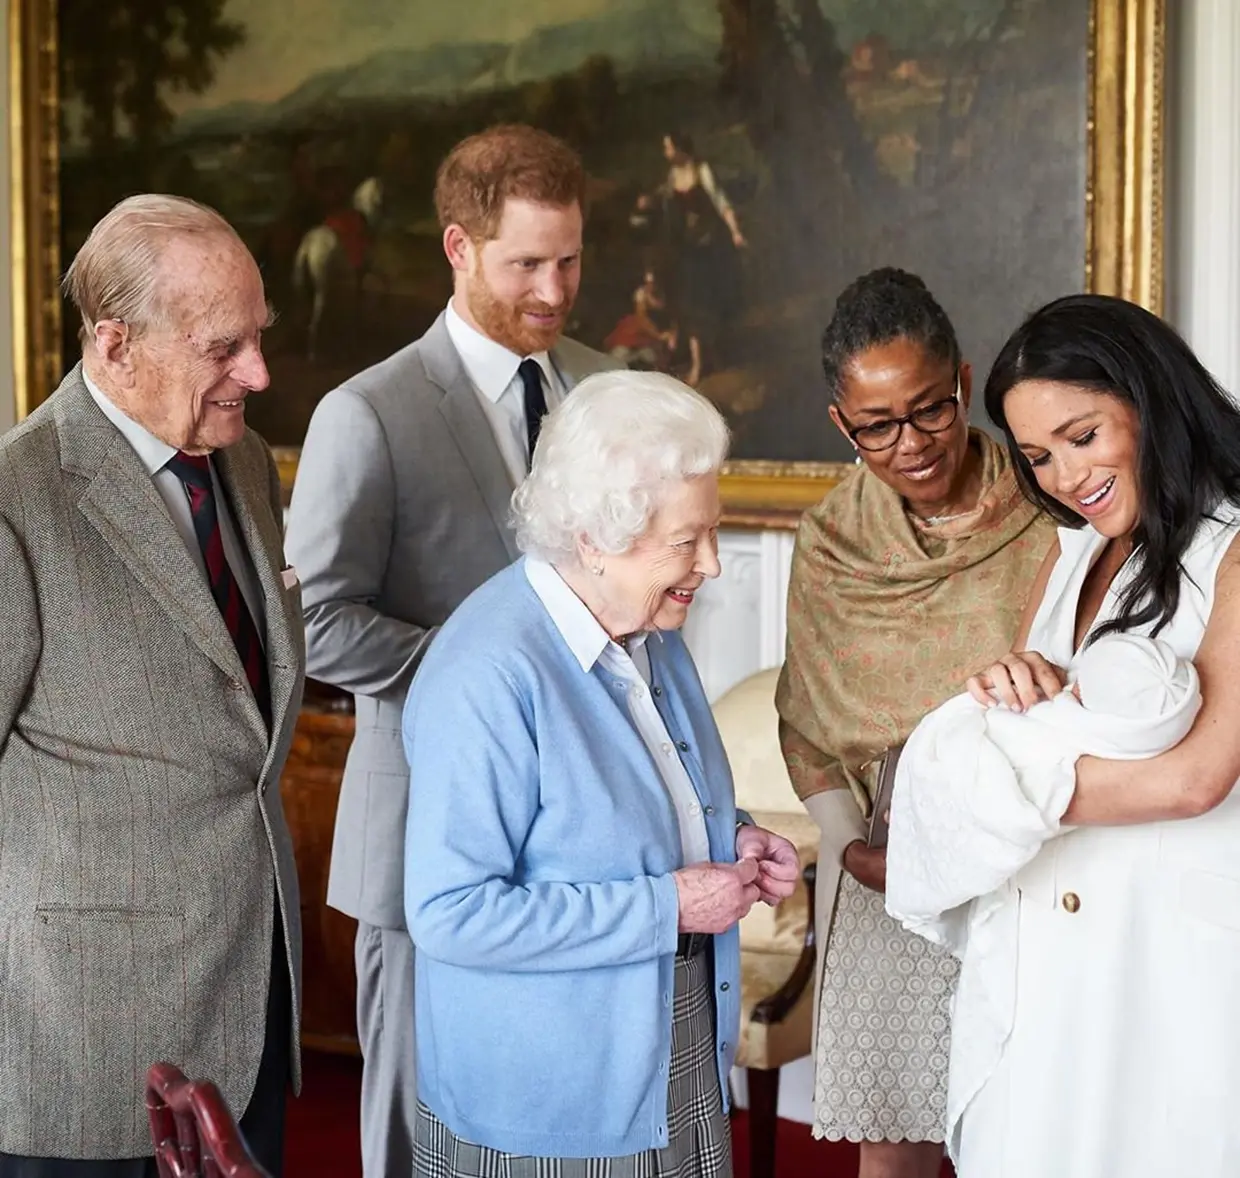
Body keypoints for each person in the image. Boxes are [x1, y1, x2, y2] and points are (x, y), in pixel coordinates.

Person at [283, 123, 619, 1178]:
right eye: (526, 263)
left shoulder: (606, 390)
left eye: (569, 259)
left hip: (579, 846)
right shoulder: (366, 413)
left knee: (544, 1130)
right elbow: (317, 621)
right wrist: (496, 682)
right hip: (423, 831)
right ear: (458, 249)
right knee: (408, 1133)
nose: (555, 290)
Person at [401, 369, 799, 1176]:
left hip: (670, 1042)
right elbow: (451, 912)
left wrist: (737, 836)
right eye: (688, 541)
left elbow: (630, 808)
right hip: (552, 1101)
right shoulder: (488, 672)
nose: (713, 564)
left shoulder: (648, 627)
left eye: (712, 532)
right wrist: (669, 904)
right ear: (594, 540)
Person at [0, 194, 304, 1176]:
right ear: (115, 344)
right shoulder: (17, 498)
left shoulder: (245, 459)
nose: (256, 373)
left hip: (250, 1001)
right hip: (84, 1038)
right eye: (224, 347)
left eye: (258, 337)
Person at [933, 294, 1240, 1178]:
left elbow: (1200, 777)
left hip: (1169, 956)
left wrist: (987, 788)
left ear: (1149, 398)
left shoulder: (1233, 551)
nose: (1064, 476)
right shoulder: (1071, 553)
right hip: (1052, 946)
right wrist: (1009, 686)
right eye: (1037, 456)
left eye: (1082, 436)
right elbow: (1024, 717)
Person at [774, 268, 1055, 1178]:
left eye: (930, 410)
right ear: (841, 426)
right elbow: (810, 725)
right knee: (900, 1146)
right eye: (877, 426)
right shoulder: (831, 545)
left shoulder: (1051, 507)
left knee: (1029, 1126)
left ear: (965, 383)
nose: (912, 444)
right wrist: (850, 844)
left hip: (1035, 846)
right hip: (889, 860)